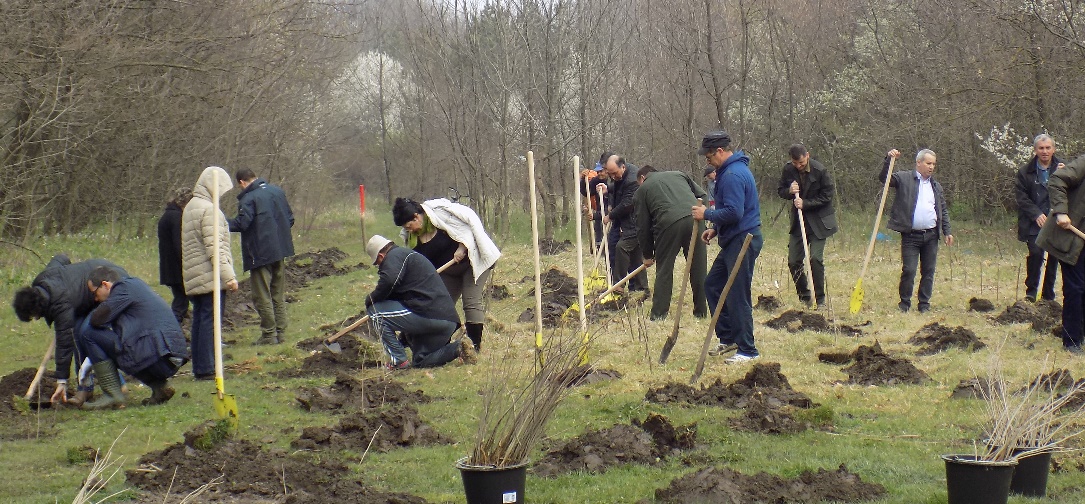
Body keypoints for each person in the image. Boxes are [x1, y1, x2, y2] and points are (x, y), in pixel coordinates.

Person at [12, 255, 128, 405]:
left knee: (85, 334)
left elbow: (64, 343)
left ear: (38, 309)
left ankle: (114, 385)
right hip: (94, 283)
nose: (35, 319)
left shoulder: (61, 305)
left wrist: (61, 380)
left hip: (109, 283)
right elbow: (61, 258)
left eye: (33, 315)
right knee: (78, 334)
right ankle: (86, 388)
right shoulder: (42, 280)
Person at [692, 130, 763, 364]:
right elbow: (733, 212)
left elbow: (735, 212)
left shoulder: (732, 174)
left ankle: (748, 350)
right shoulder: (728, 171)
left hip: (743, 241)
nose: (707, 160)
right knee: (712, 284)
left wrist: (707, 214)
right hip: (733, 238)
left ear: (720, 151)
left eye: (709, 156)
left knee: (737, 293)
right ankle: (729, 336)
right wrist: (716, 228)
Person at [392, 197, 500, 351]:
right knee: (437, 304)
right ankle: (407, 342)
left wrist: (462, 247)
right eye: (406, 228)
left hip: (472, 261)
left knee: (471, 302)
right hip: (449, 271)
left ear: (416, 216)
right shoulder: (412, 238)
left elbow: (468, 227)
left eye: (410, 225)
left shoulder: (440, 215)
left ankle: (474, 348)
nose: (409, 230)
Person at [79, 267, 190, 409]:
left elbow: (96, 320)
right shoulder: (136, 285)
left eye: (94, 293)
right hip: (172, 355)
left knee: (89, 333)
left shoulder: (121, 289)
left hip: (159, 353)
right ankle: (160, 387)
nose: (95, 299)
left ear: (105, 285)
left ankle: (113, 396)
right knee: (128, 345)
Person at [364, 235, 475, 369]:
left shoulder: (394, 256)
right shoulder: (407, 257)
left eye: (378, 263)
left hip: (429, 316)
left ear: (381, 256)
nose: (379, 266)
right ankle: (458, 348)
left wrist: (371, 299)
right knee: (420, 361)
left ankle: (398, 360)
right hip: (446, 322)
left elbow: (389, 281)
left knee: (375, 312)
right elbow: (401, 299)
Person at [181, 166, 239, 381]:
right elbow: (215, 247)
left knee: (200, 320)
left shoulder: (191, 206)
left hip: (196, 275)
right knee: (209, 321)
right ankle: (206, 368)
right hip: (209, 276)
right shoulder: (208, 210)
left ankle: (201, 365)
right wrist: (229, 276)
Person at [881, 149, 955, 313]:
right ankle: (904, 303)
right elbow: (885, 179)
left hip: (931, 235)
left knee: (928, 271)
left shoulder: (936, 186)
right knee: (909, 270)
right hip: (910, 235)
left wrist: (947, 231)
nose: (931, 167)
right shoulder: (904, 178)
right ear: (919, 163)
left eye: (933, 164)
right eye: (928, 163)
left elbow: (942, 209)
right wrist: (888, 160)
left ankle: (924, 304)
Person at [227, 169, 295, 345]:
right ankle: (282, 333)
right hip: (280, 250)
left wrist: (221, 222)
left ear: (242, 182)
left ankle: (268, 335)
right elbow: (290, 219)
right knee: (277, 293)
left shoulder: (248, 198)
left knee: (262, 295)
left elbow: (243, 223)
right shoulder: (277, 192)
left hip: (259, 253)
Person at [633, 165, 709, 320]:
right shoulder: (679, 173)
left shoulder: (642, 190)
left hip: (667, 224)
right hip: (695, 219)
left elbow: (642, 226)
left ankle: (659, 314)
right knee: (698, 267)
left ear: (642, 178)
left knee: (664, 269)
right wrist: (704, 217)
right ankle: (701, 312)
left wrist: (648, 255)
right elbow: (702, 195)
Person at [776, 144, 838, 309]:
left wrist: (806, 203)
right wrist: (789, 191)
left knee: (815, 259)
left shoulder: (820, 171)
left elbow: (827, 196)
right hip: (799, 222)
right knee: (793, 261)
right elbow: (780, 190)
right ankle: (805, 297)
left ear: (807, 156)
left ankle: (821, 300)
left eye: (801, 163)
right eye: (796, 163)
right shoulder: (788, 170)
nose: (799, 166)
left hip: (819, 222)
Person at [1037, 154, 1085, 354]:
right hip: (1071, 237)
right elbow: (1057, 179)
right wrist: (1061, 211)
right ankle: (1072, 341)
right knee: (1076, 288)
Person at [1015, 134, 1064, 303]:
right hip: (1033, 222)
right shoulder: (1024, 172)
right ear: (1035, 150)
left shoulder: (1063, 168)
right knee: (1036, 253)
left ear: (1053, 149)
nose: (1044, 151)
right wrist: (1035, 214)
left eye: (1048, 148)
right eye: (1041, 148)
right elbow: (1021, 198)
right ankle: (1031, 292)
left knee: (1053, 257)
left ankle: (1048, 295)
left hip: (1056, 221)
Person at [597, 152, 648, 292]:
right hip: (625, 220)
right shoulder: (620, 174)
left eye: (614, 173)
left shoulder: (633, 179)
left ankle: (620, 285)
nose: (613, 177)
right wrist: (608, 189)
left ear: (623, 167)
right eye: (610, 174)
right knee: (633, 254)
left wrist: (610, 215)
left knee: (622, 248)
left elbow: (627, 203)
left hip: (635, 220)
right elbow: (619, 186)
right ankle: (639, 288)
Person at [157, 187, 193, 324]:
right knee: (181, 302)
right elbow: (180, 245)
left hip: (169, 267)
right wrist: (186, 265)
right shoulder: (177, 218)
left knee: (181, 299)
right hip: (177, 269)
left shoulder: (167, 215)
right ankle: (173, 330)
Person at [580, 162, 605, 251]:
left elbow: (608, 208)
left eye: (601, 171)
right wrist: (583, 180)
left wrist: (596, 215)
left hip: (610, 212)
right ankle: (598, 248)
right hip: (599, 210)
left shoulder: (612, 182)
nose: (600, 174)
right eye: (598, 172)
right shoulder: (596, 180)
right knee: (598, 227)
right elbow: (586, 192)